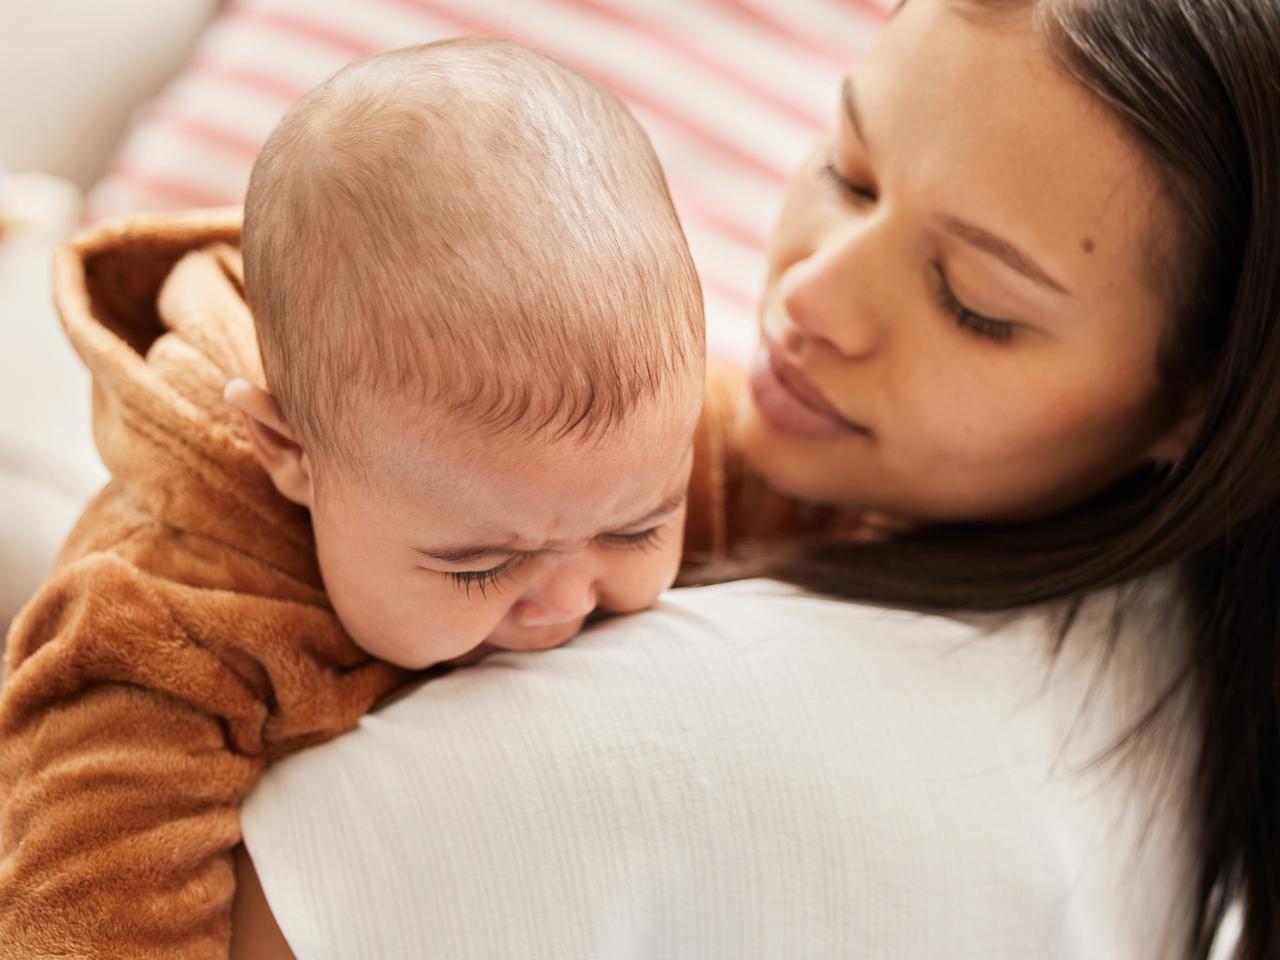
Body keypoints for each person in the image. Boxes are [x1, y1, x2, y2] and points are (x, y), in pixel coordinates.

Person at [232, 0, 1280, 958]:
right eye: (848, 170)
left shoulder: (618, 753)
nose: (811, 297)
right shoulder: (1183, 672)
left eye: (972, 303)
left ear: (1206, 399)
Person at [0, 38, 718, 958]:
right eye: (482, 565)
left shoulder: (623, 429)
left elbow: (803, 484)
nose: (572, 599)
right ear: (291, 451)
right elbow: (93, 900)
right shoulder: (160, 617)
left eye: (639, 528)